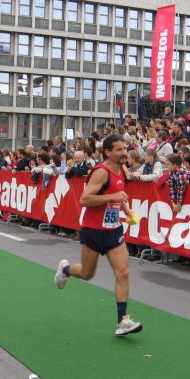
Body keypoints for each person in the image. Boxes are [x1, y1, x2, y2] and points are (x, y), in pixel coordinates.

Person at [53, 134, 142, 336]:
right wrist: (114, 197)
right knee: (87, 273)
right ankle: (65, 270)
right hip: (93, 230)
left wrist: (126, 211)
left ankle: (123, 321)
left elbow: (117, 196)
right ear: (108, 152)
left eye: (125, 149)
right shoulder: (101, 172)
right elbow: (85, 199)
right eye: (119, 150)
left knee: (123, 272)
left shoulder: (121, 170)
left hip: (113, 230)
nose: (123, 153)